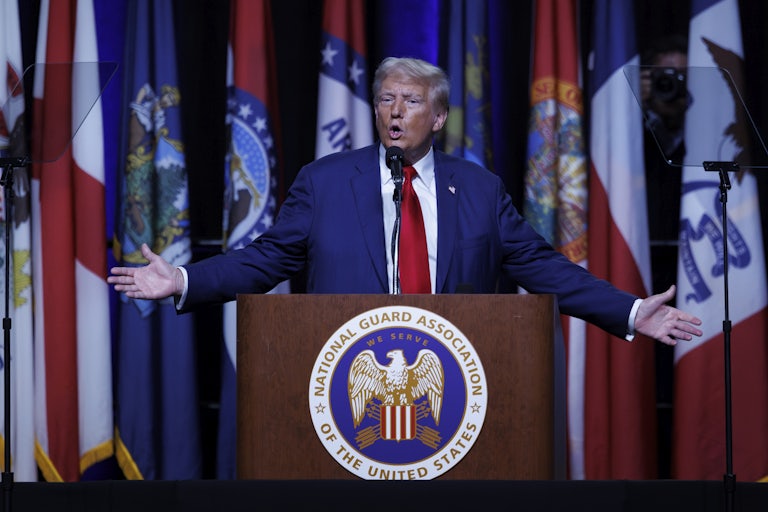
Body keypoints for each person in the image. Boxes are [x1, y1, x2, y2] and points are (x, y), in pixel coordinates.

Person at [108, 57, 702, 346]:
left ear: (438, 117)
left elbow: (541, 267)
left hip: (455, 375)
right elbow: (266, 260)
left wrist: (628, 311)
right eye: (387, 98)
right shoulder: (324, 181)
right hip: (344, 378)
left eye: (411, 101)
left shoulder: (477, 189)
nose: (395, 111)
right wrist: (185, 279)